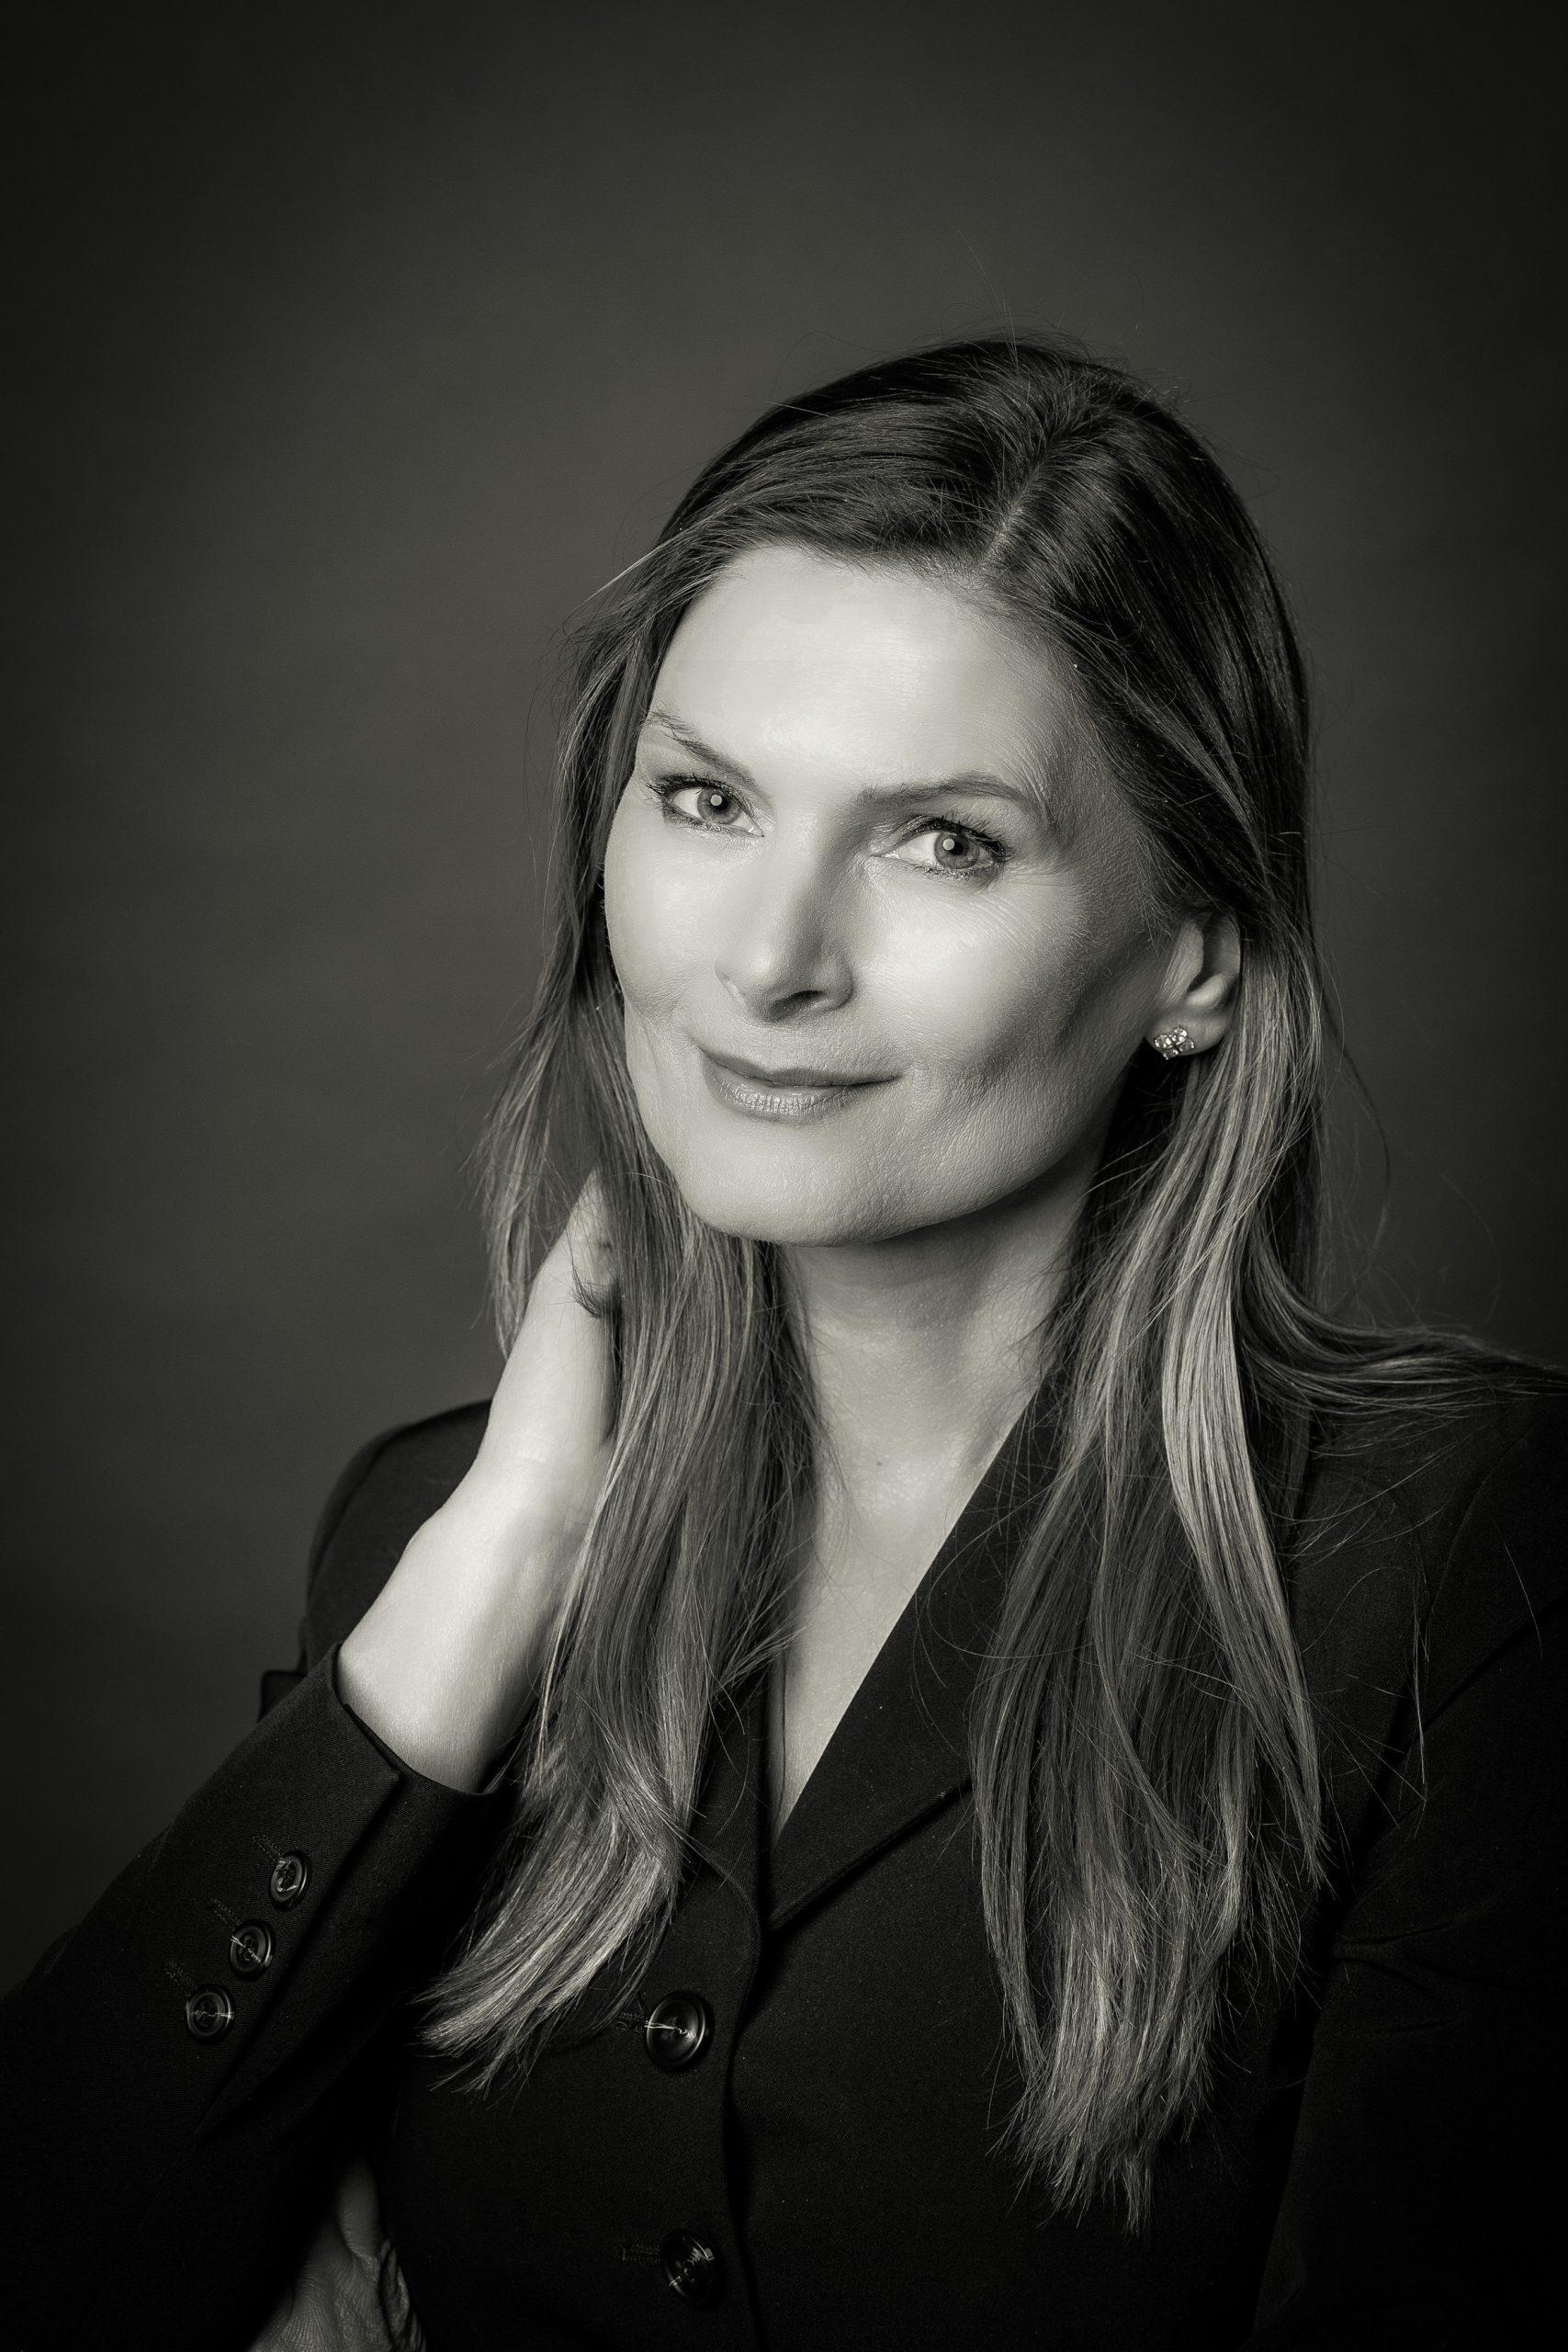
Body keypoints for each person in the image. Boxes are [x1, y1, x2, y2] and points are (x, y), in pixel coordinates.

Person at [4, 334, 1564, 2352]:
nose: (766, 958)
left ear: (1195, 957)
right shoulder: (433, 1528)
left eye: (943, 841)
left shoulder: (1464, 1573)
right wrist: (489, 1582)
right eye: (707, 799)